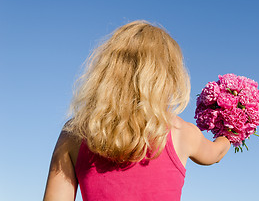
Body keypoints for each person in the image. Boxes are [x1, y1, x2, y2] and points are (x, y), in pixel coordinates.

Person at [43, 21, 231, 201]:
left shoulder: (75, 133)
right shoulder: (181, 132)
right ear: (167, 77)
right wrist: (232, 129)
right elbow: (216, 153)